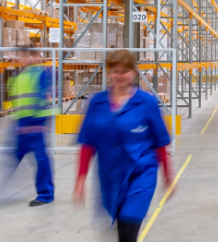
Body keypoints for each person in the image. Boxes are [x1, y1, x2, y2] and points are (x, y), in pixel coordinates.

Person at [72, 49, 173, 242]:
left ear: (133, 73)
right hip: (111, 175)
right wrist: (80, 178)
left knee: (128, 225)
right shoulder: (97, 103)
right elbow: (87, 143)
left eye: (124, 71)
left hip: (141, 173)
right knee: (120, 220)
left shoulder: (146, 103)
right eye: (115, 71)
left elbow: (160, 142)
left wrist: (168, 174)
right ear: (108, 73)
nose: (119, 76)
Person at [4, 47, 56, 206]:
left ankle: (45, 194)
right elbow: (17, 100)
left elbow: (45, 95)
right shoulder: (19, 76)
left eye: (25, 56)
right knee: (14, 156)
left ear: (34, 57)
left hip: (36, 122)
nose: (22, 59)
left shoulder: (41, 73)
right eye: (20, 56)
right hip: (22, 122)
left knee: (41, 158)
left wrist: (40, 122)